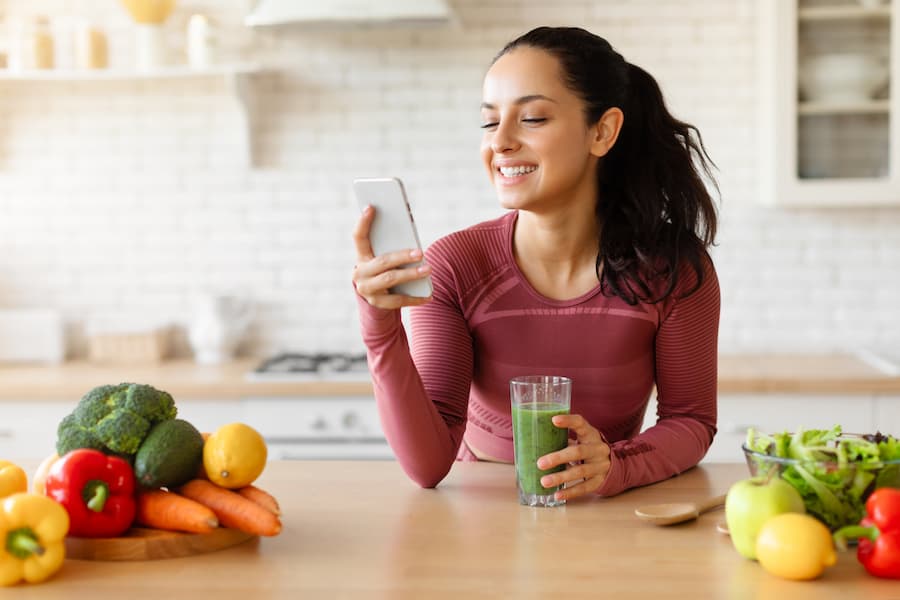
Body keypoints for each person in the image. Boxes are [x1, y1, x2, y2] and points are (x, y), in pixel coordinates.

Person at [351, 26, 720, 500]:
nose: (499, 142)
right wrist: (380, 326)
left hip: (606, 511)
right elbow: (426, 466)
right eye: (489, 122)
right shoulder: (455, 265)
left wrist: (616, 467)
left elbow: (691, 422)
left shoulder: (673, 269)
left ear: (602, 131)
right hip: (479, 514)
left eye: (533, 118)